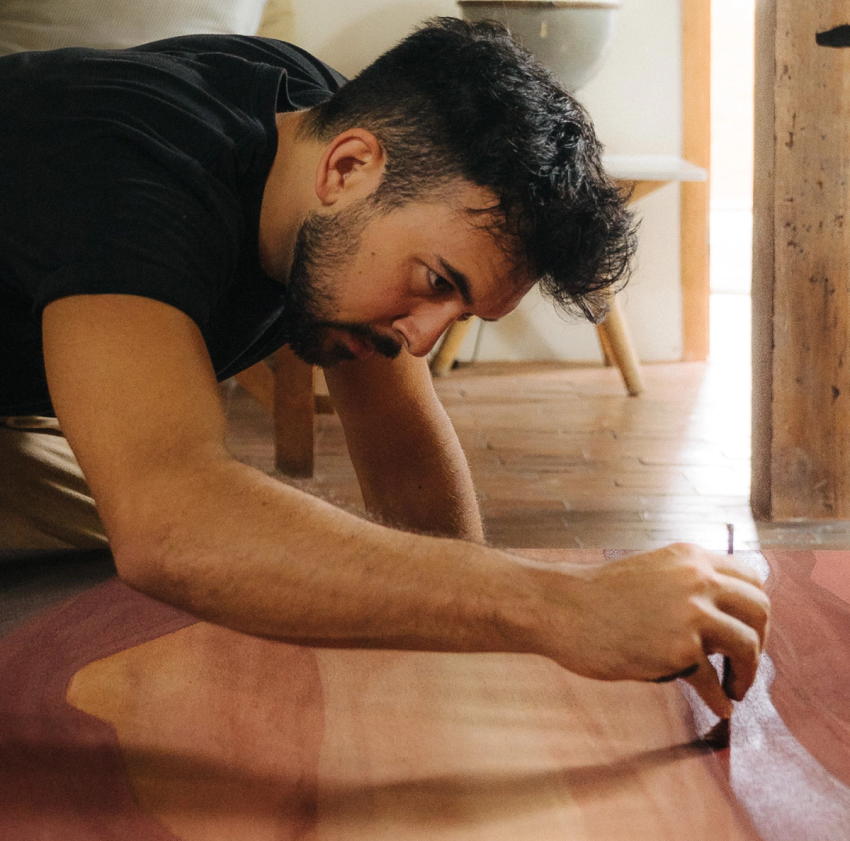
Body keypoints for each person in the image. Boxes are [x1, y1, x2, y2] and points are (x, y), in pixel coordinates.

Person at [0, 18, 769, 717]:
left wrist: (503, 667)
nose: (423, 340)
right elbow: (169, 527)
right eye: (438, 282)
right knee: (173, 543)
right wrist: (565, 604)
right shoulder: (136, 180)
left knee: (255, 550)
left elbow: (416, 499)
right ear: (347, 168)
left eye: (460, 314)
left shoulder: (332, 137)